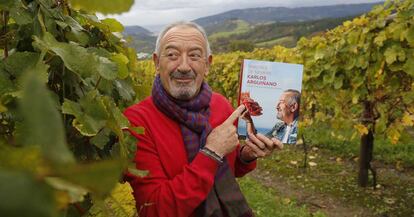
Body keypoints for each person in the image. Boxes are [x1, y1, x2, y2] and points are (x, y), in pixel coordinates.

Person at [123, 21, 283, 217]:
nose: (183, 66)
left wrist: (245, 155)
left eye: (194, 56)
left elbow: (225, 171)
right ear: (157, 62)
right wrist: (212, 152)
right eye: (172, 55)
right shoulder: (136, 122)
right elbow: (153, 209)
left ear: (207, 64)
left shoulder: (221, 105)